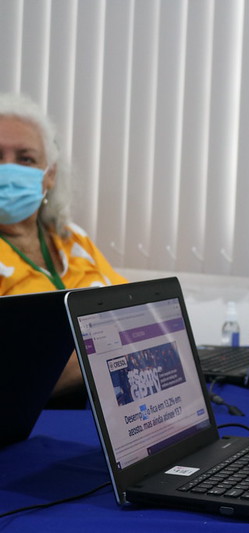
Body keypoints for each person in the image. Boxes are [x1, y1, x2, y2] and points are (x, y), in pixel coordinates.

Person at [0, 92, 127, 402]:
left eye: (26, 158)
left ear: (50, 175)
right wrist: (109, 348)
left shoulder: (72, 239)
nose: (8, 169)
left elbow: (135, 314)